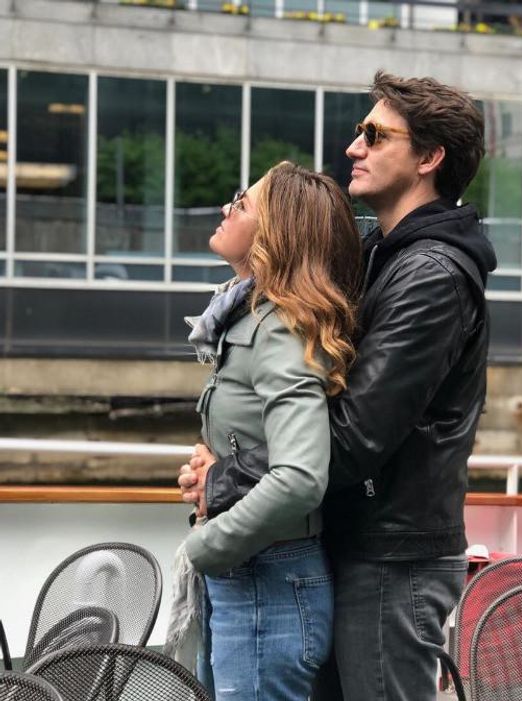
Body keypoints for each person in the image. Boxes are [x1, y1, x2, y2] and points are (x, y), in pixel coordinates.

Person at [180, 71, 496, 701]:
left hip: (393, 557)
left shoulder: (429, 274)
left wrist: (224, 477)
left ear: (429, 158)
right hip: (364, 543)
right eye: (359, 132)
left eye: (375, 135)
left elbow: (351, 437)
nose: (354, 147)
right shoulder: (386, 254)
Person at [180, 161, 362, 699]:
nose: (225, 207)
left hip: (267, 581)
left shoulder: (279, 327)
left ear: (275, 232)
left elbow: (301, 477)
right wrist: (210, 476)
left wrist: (208, 545)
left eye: (243, 201)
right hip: (254, 577)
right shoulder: (247, 317)